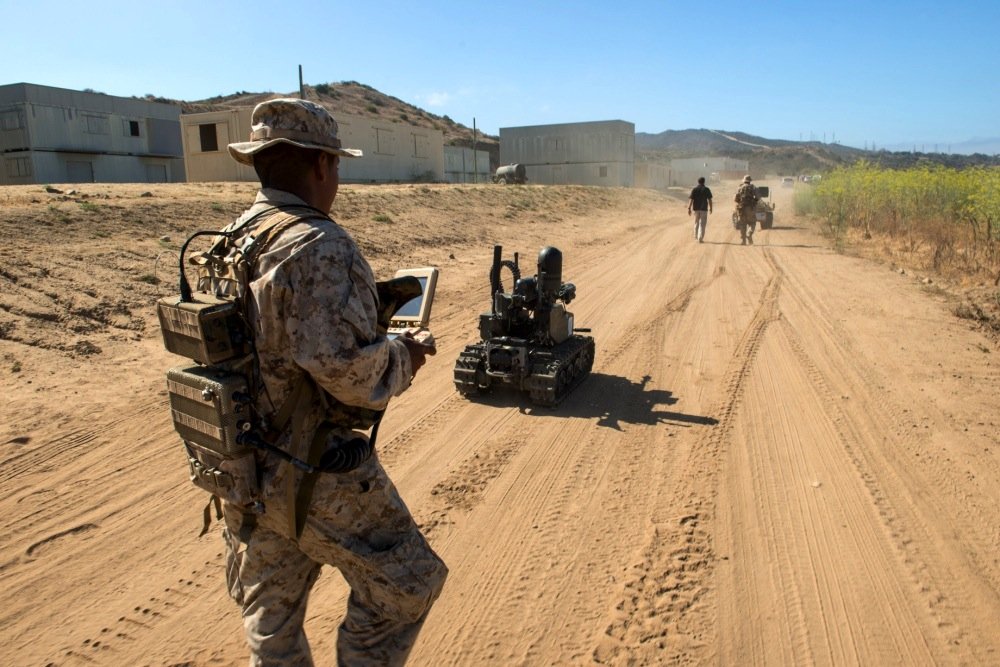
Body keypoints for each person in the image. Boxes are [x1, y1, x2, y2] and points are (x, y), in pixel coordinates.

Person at [219, 98, 447, 666]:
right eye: (336, 165)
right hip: (315, 468)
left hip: (244, 466)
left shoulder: (230, 239)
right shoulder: (320, 244)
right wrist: (403, 357)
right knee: (406, 586)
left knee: (272, 621)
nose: (337, 178)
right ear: (320, 164)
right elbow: (346, 372)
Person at [734, 174, 759, 245]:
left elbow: (735, 199)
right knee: (753, 223)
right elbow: (757, 197)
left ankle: (743, 241)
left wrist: (740, 203)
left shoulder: (740, 187)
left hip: (741, 209)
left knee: (742, 224)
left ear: (744, 181)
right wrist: (754, 201)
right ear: (750, 181)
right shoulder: (753, 187)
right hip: (750, 208)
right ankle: (749, 234)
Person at [687, 176, 713, 243]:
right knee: (702, 224)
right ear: (704, 182)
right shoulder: (706, 189)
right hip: (704, 209)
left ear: (698, 182)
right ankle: (700, 238)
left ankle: (696, 236)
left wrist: (689, 208)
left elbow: (691, 199)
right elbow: (710, 199)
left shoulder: (694, 189)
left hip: (696, 209)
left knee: (696, 222)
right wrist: (711, 208)